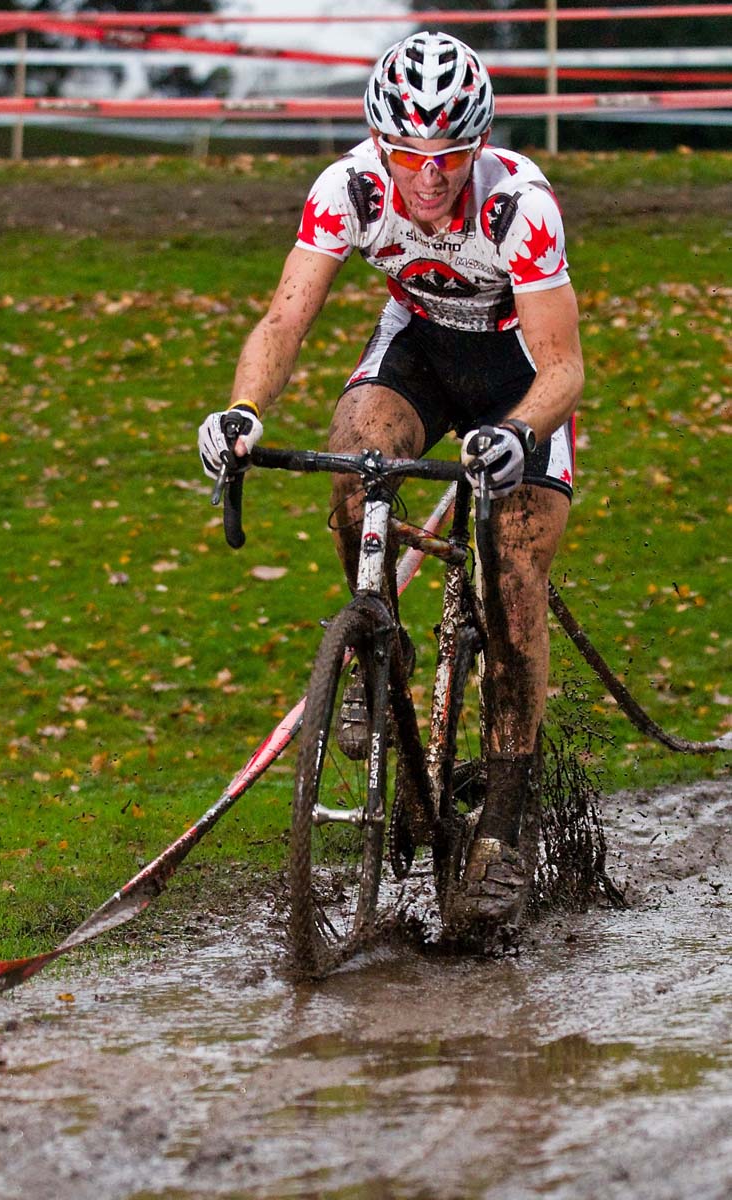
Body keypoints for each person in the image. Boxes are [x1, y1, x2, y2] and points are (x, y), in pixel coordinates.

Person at [198, 31, 584, 938]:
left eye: (447, 157)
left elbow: (564, 367)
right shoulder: (349, 189)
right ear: (378, 143)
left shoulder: (518, 204)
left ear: (476, 145)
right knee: (353, 460)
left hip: (516, 375)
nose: (425, 177)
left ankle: (503, 830)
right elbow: (284, 316)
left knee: (515, 575)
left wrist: (518, 433)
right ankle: (379, 651)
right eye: (406, 154)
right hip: (417, 352)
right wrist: (243, 410)